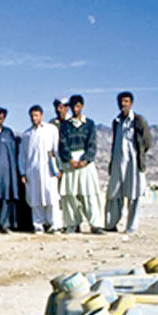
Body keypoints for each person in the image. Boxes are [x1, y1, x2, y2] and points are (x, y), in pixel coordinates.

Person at [105, 91, 153, 233]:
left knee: (134, 194)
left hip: (133, 163)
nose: (123, 104)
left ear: (131, 103)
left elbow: (147, 141)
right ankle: (110, 224)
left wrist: (139, 155)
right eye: (121, 101)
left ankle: (131, 227)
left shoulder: (138, 120)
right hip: (117, 162)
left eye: (126, 101)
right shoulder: (116, 121)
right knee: (114, 193)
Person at [58, 95, 104, 233]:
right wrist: (69, 159)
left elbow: (92, 143)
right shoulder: (65, 125)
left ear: (82, 106)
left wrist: (85, 159)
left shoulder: (89, 123)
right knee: (70, 194)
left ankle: (95, 224)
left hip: (85, 163)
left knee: (89, 193)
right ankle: (72, 223)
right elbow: (62, 144)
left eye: (78, 106)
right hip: (70, 163)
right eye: (73, 106)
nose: (75, 109)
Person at [18, 105, 60, 233]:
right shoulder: (26, 135)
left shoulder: (51, 129)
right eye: (32, 116)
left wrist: (59, 168)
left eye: (36, 115)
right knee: (35, 198)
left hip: (49, 169)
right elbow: (22, 155)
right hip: (32, 170)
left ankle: (54, 225)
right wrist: (23, 172)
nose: (34, 118)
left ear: (41, 115)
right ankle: (38, 224)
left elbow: (56, 149)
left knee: (51, 196)